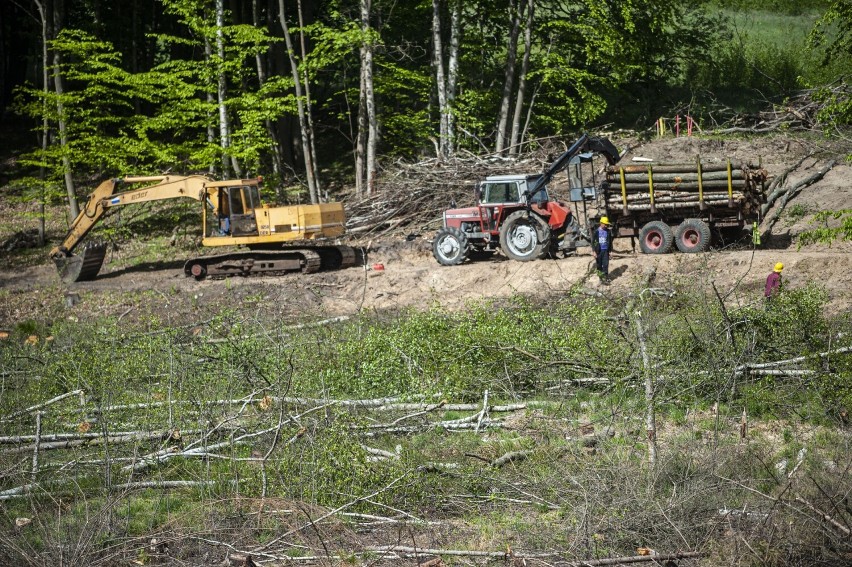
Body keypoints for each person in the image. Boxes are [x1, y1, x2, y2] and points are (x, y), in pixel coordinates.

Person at [591, 216, 614, 283]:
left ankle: (606, 278)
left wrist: (611, 251)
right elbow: (593, 242)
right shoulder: (596, 231)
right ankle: (601, 279)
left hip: (605, 251)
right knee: (599, 265)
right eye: (605, 224)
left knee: (606, 265)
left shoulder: (608, 232)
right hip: (599, 251)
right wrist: (594, 251)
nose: (606, 225)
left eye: (607, 224)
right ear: (601, 223)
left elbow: (610, 241)